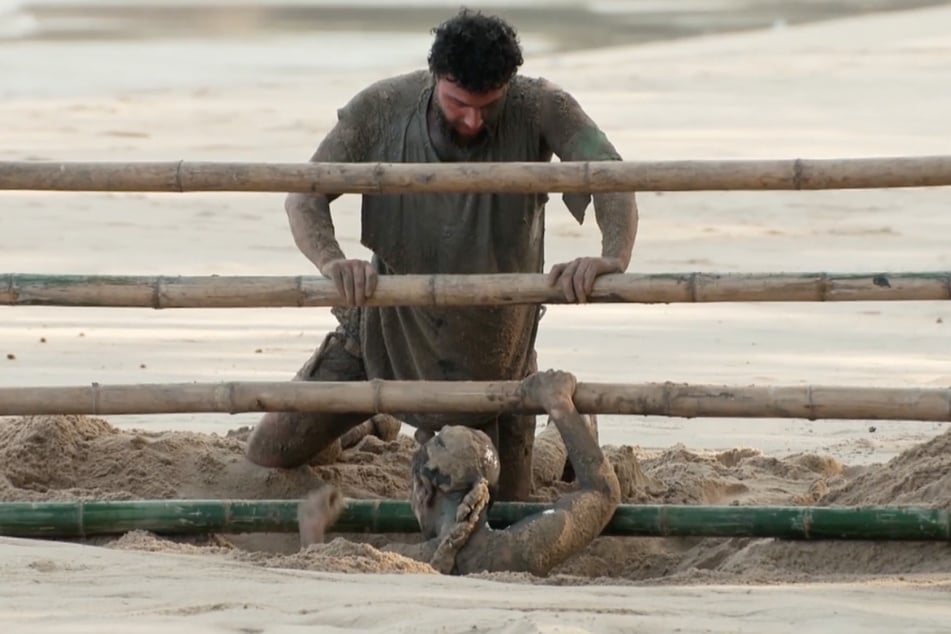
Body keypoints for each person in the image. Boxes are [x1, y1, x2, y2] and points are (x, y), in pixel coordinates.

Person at [245, 9, 638, 500]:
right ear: (436, 79)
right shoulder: (382, 107)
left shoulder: (542, 105)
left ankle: (562, 428)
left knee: (510, 502)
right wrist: (332, 260)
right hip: (382, 337)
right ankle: (366, 425)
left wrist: (611, 257)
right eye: (457, 104)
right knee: (269, 452)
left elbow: (611, 177)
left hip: (497, 356)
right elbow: (303, 195)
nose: (473, 120)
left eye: (488, 106)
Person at [298, 370, 622, 576]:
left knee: (545, 454)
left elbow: (321, 570)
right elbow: (602, 492)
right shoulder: (522, 550)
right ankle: (573, 425)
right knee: (546, 453)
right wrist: (560, 404)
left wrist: (312, 529)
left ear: (423, 491)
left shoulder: (397, 561)